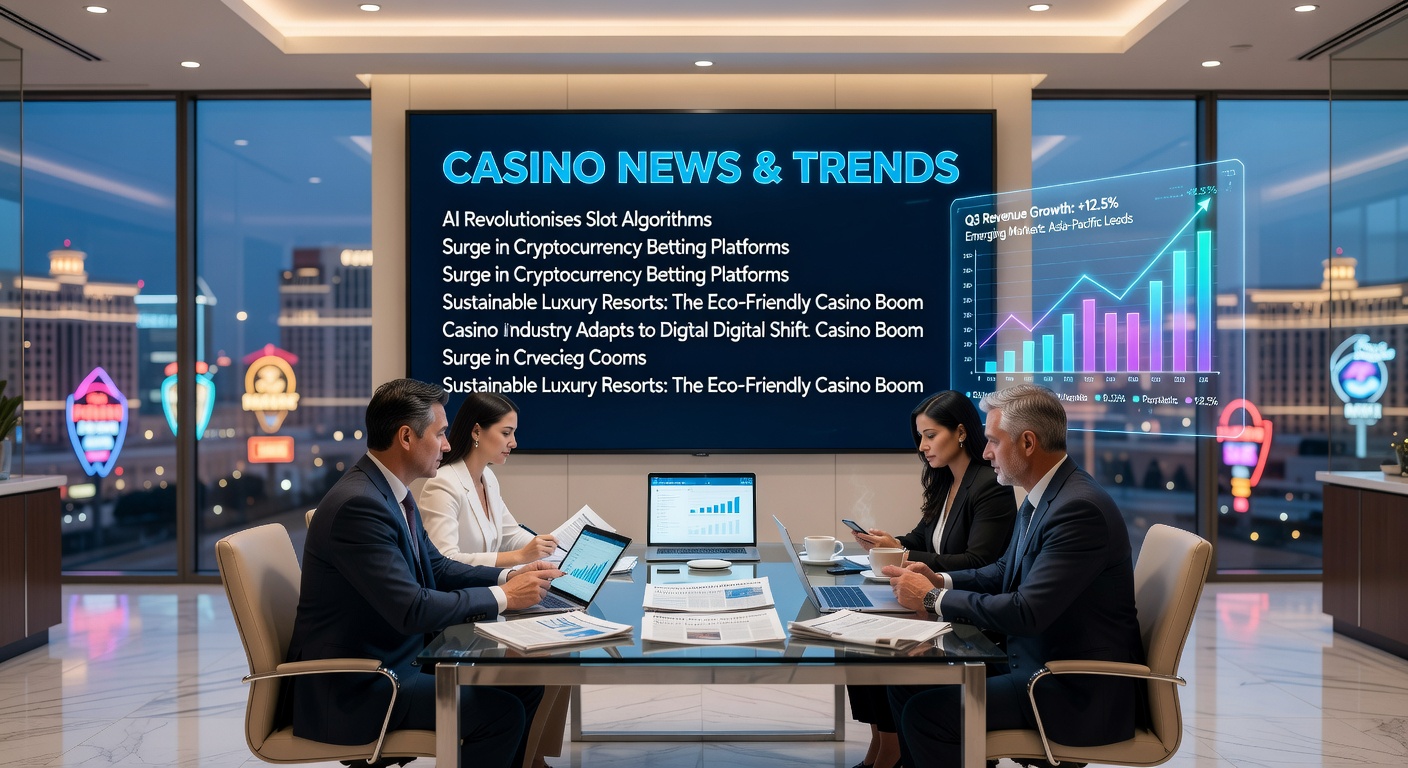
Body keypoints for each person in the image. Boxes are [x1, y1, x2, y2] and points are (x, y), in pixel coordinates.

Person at [287, 378, 564, 768]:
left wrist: (509, 578)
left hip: (396, 658)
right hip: (362, 685)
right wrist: (506, 597)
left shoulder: (390, 492)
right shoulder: (360, 506)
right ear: (406, 437)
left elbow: (437, 566)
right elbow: (412, 609)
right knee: (501, 713)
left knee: (526, 683)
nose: (448, 445)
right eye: (440, 433)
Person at [882, 384, 1144, 768]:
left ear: (1027, 443)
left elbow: (1026, 612)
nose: (985, 452)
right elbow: (1005, 570)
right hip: (1035, 662)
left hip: (1067, 689)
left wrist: (931, 599)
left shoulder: (1078, 510)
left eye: (993, 441)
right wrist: (941, 582)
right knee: (906, 682)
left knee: (927, 714)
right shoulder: (1046, 495)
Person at [845, 390, 1016, 768]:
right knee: (857, 639)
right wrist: (889, 543)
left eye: (930, 435)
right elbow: (921, 540)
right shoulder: (945, 481)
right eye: (920, 437)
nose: (922, 446)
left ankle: (891, 753)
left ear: (960, 432)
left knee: (877, 645)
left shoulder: (989, 486)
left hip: (969, 620)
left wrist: (902, 554)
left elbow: (980, 561)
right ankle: (882, 746)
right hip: (937, 607)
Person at [417, 391, 567, 768]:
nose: (513, 442)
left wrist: (548, 546)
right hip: (460, 614)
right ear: (477, 432)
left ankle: (531, 757)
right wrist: (518, 560)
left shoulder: (487, 478)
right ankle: (526, 758)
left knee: (556, 651)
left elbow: (510, 532)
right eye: (506, 433)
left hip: (489, 599)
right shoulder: (443, 485)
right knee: (541, 659)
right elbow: (444, 561)